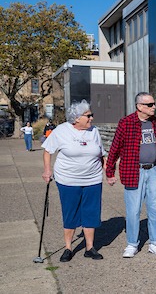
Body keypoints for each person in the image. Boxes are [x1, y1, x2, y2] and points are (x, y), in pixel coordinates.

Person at [41, 100, 106, 262]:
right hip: (68, 180)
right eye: (88, 115)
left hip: (93, 179)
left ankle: (90, 247)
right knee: (70, 212)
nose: (91, 118)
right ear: (76, 118)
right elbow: (48, 151)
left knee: (91, 212)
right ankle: (68, 248)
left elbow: (101, 153)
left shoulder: (94, 131)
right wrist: (47, 170)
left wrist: (108, 171)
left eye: (91, 115)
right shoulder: (61, 131)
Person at [106, 92, 156, 258]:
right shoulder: (126, 123)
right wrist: (109, 171)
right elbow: (115, 148)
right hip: (134, 171)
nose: (154, 107)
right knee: (133, 210)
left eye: (154, 104)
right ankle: (132, 244)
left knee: (155, 208)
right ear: (140, 107)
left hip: (154, 170)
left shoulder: (155, 122)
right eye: (150, 104)